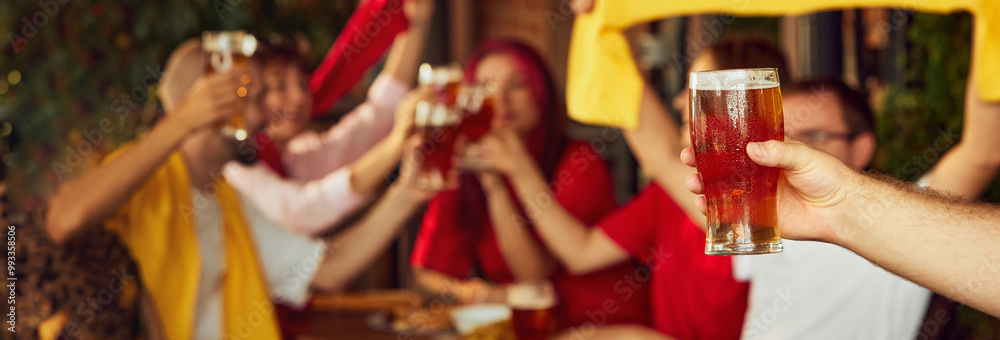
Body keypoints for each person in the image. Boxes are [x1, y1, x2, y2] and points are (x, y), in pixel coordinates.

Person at [467, 35, 788, 340]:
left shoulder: (763, 203)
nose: (679, 101)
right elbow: (580, 251)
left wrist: (601, 27)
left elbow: (658, 155)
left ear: (741, 105)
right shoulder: (666, 196)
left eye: (696, 89)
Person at [410, 40, 653, 331]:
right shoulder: (464, 167)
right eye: (485, 87)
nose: (499, 99)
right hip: (527, 329)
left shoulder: (579, 163)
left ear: (542, 94)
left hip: (603, 326)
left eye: (517, 85)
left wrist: (502, 181)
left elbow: (535, 275)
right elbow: (425, 276)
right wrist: (471, 293)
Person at [680, 139, 1000, 319]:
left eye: (814, 132)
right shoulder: (764, 219)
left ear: (861, 147)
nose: (789, 147)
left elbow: (983, 152)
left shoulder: (901, 225)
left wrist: (843, 204)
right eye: (785, 132)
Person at [224, 0, 433, 235]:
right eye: (279, 86)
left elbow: (377, 118)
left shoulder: (294, 159)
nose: (299, 97)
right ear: (248, 96)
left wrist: (419, 18)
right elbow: (303, 211)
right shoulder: (235, 167)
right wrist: (395, 146)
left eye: (303, 84)